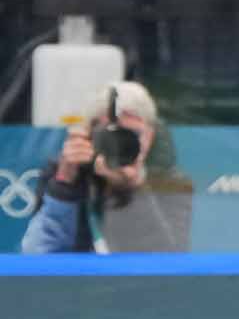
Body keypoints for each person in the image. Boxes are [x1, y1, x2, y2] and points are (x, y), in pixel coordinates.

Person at [20, 78, 189, 251]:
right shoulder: (65, 173)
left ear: (150, 136)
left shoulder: (169, 182)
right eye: (112, 133)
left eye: (133, 134)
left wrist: (133, 190)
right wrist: (65, 186)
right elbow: (38, 253)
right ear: (91, 133)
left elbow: (168, 256)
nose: (122, 143)